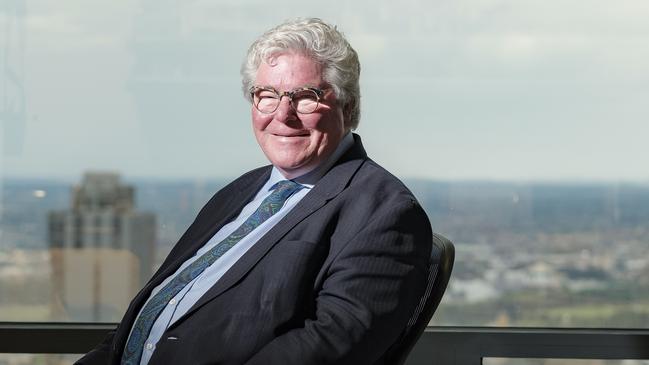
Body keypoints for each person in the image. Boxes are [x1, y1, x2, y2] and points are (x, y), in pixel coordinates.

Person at [76, 17, 432, 365]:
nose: (283, 114)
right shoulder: (244, 190)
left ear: (348, 106)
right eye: (267, 95)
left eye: (305, 97)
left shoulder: (385, 212)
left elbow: (334, 344)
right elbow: (163, 299)